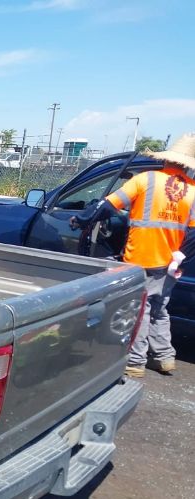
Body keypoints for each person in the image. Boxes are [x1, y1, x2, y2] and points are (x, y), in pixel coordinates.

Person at [71, 134, 195, 378]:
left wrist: (82, 219)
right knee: (160, 308)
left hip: (141, 257)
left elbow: (108, 206)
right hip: (170, 262)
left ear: (165, 159)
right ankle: (164, 357)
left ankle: (135, 362)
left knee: (140, 309)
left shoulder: (145, 180)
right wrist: (179, 256)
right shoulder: (192, 191)